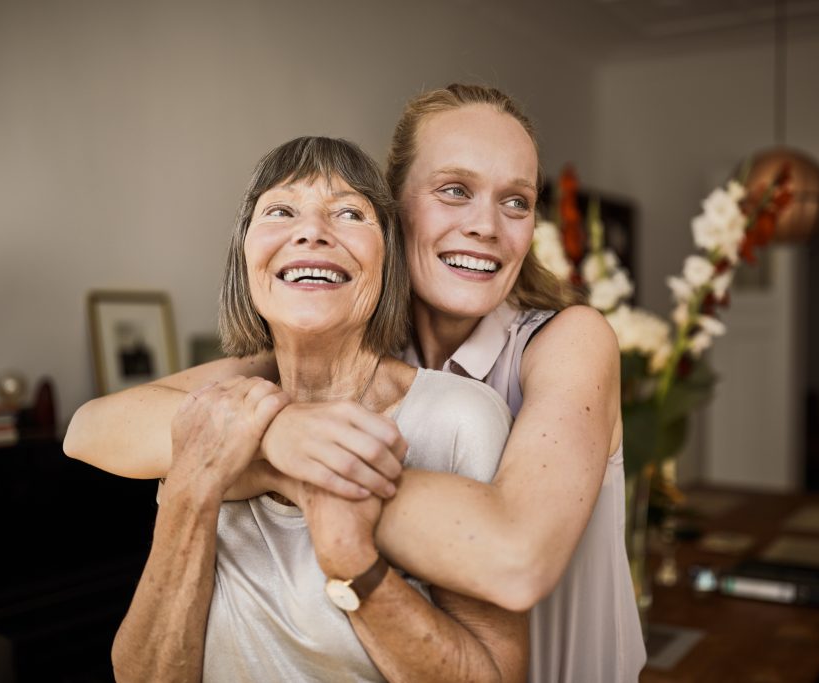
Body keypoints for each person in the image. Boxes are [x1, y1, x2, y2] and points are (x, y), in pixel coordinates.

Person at [65, 84, 647, 682]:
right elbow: (93, 427)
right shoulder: (328, 343)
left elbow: (515, 561)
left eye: (517, 202)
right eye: (454, 190)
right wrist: (279, 432)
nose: (486, 226)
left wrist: (282, 461)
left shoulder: (568, 340)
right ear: (394, 210)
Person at [108, 136, 527, 681]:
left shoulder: (459, 419)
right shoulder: (210, 415)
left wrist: (352, 558)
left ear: (388, 260)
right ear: (245, 257)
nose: (311, 232)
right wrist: (192, 490)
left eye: (349, 213)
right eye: (280, 211)